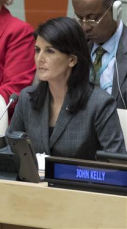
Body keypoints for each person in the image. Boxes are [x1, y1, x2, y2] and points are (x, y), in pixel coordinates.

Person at [10, 17, 125, 160]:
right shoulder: (27, 98)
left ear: (72, 60)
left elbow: (117, 164)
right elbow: (11, 151)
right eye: (37, 50)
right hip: (32, 182)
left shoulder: (100, 104)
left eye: (50, 51)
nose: (40, 58)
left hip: (80, 181)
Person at [72, 0, 127, 109]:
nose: (85, 27)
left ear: (116, 11)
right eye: (80, 18)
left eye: (93, 18)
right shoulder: (74, 48)